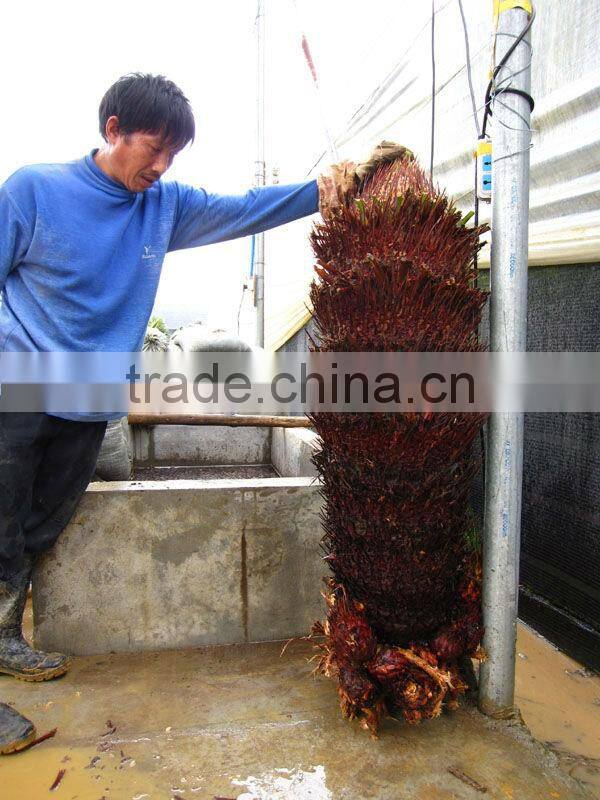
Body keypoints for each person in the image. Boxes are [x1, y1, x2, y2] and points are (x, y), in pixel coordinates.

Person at [0, 72, 408, 749]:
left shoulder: (162, 206)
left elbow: (244, 208)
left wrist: (325, 188)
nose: (160, 167)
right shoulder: (33, 190)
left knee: (36, 530)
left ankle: (5, 636)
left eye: (172, 156)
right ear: (112, 130)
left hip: (87, 403)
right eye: (152, 148)